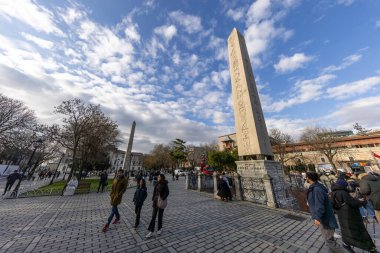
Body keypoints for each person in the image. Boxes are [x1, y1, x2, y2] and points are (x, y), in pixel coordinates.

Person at [331, 179, 377, 253]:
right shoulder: (343, 193)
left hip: (342, 216)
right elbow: (353, 204)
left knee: (347, 231)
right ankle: (370, 248)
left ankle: (346, 244)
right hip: (351, 216)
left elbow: (334, 205)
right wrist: (362, 201)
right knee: (358, 231)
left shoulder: (333, 192)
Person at [306, 172, 347, 253]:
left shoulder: (317, 189)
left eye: (306, 177)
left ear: (309, 178)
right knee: (329, 239)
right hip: (323, 218)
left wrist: (317, 218)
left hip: (325, 219)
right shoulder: (315, 187)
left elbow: (320, 206)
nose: (305, 178)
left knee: (328, 241)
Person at [146, 174, 169, 238]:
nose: (158, 178)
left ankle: (159, 228)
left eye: (159, 177)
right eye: (158, 177)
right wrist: (153, 198)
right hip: (155, 202)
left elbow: (167, 192)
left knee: (160, 216)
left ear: (162, 178)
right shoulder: (156, 183)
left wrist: (162, 198)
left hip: (161, 201)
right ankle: (151, 231)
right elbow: (154, 192)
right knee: (153, 216)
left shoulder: (164, 184)